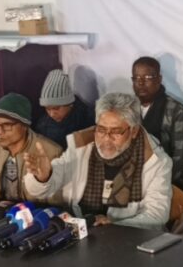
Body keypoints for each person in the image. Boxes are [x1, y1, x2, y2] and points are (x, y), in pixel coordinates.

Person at [23, 93, 172, 230]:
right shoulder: (82, 146)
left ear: (133, 131)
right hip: (82, 232)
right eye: (101, 129)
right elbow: (38, 190)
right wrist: (44, 177)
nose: (106, 138)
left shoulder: (156, 162)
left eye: (115, 131)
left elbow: (156, 215)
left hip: (129, 239)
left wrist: (113, 225)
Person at [0, 93, 62, 205]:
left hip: (34, 215)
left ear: (25, 125)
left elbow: (58, 204)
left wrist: (44, 180)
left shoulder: (51, 152)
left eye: (7, 125)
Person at [131, 57, 183, 188]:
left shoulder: (177, 111)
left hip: (166, 182)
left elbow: (181, 159)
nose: (141, 83)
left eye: (147, 77)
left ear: (159, 79)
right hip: (131, 180)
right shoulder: (128, 108)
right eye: (136, 78)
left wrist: (158, 183)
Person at [33, 70, 94, 150]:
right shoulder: (43, 126)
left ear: (69, 103)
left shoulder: (87, 119)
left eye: (56, 108)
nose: (52, 114)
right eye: (47, 109)